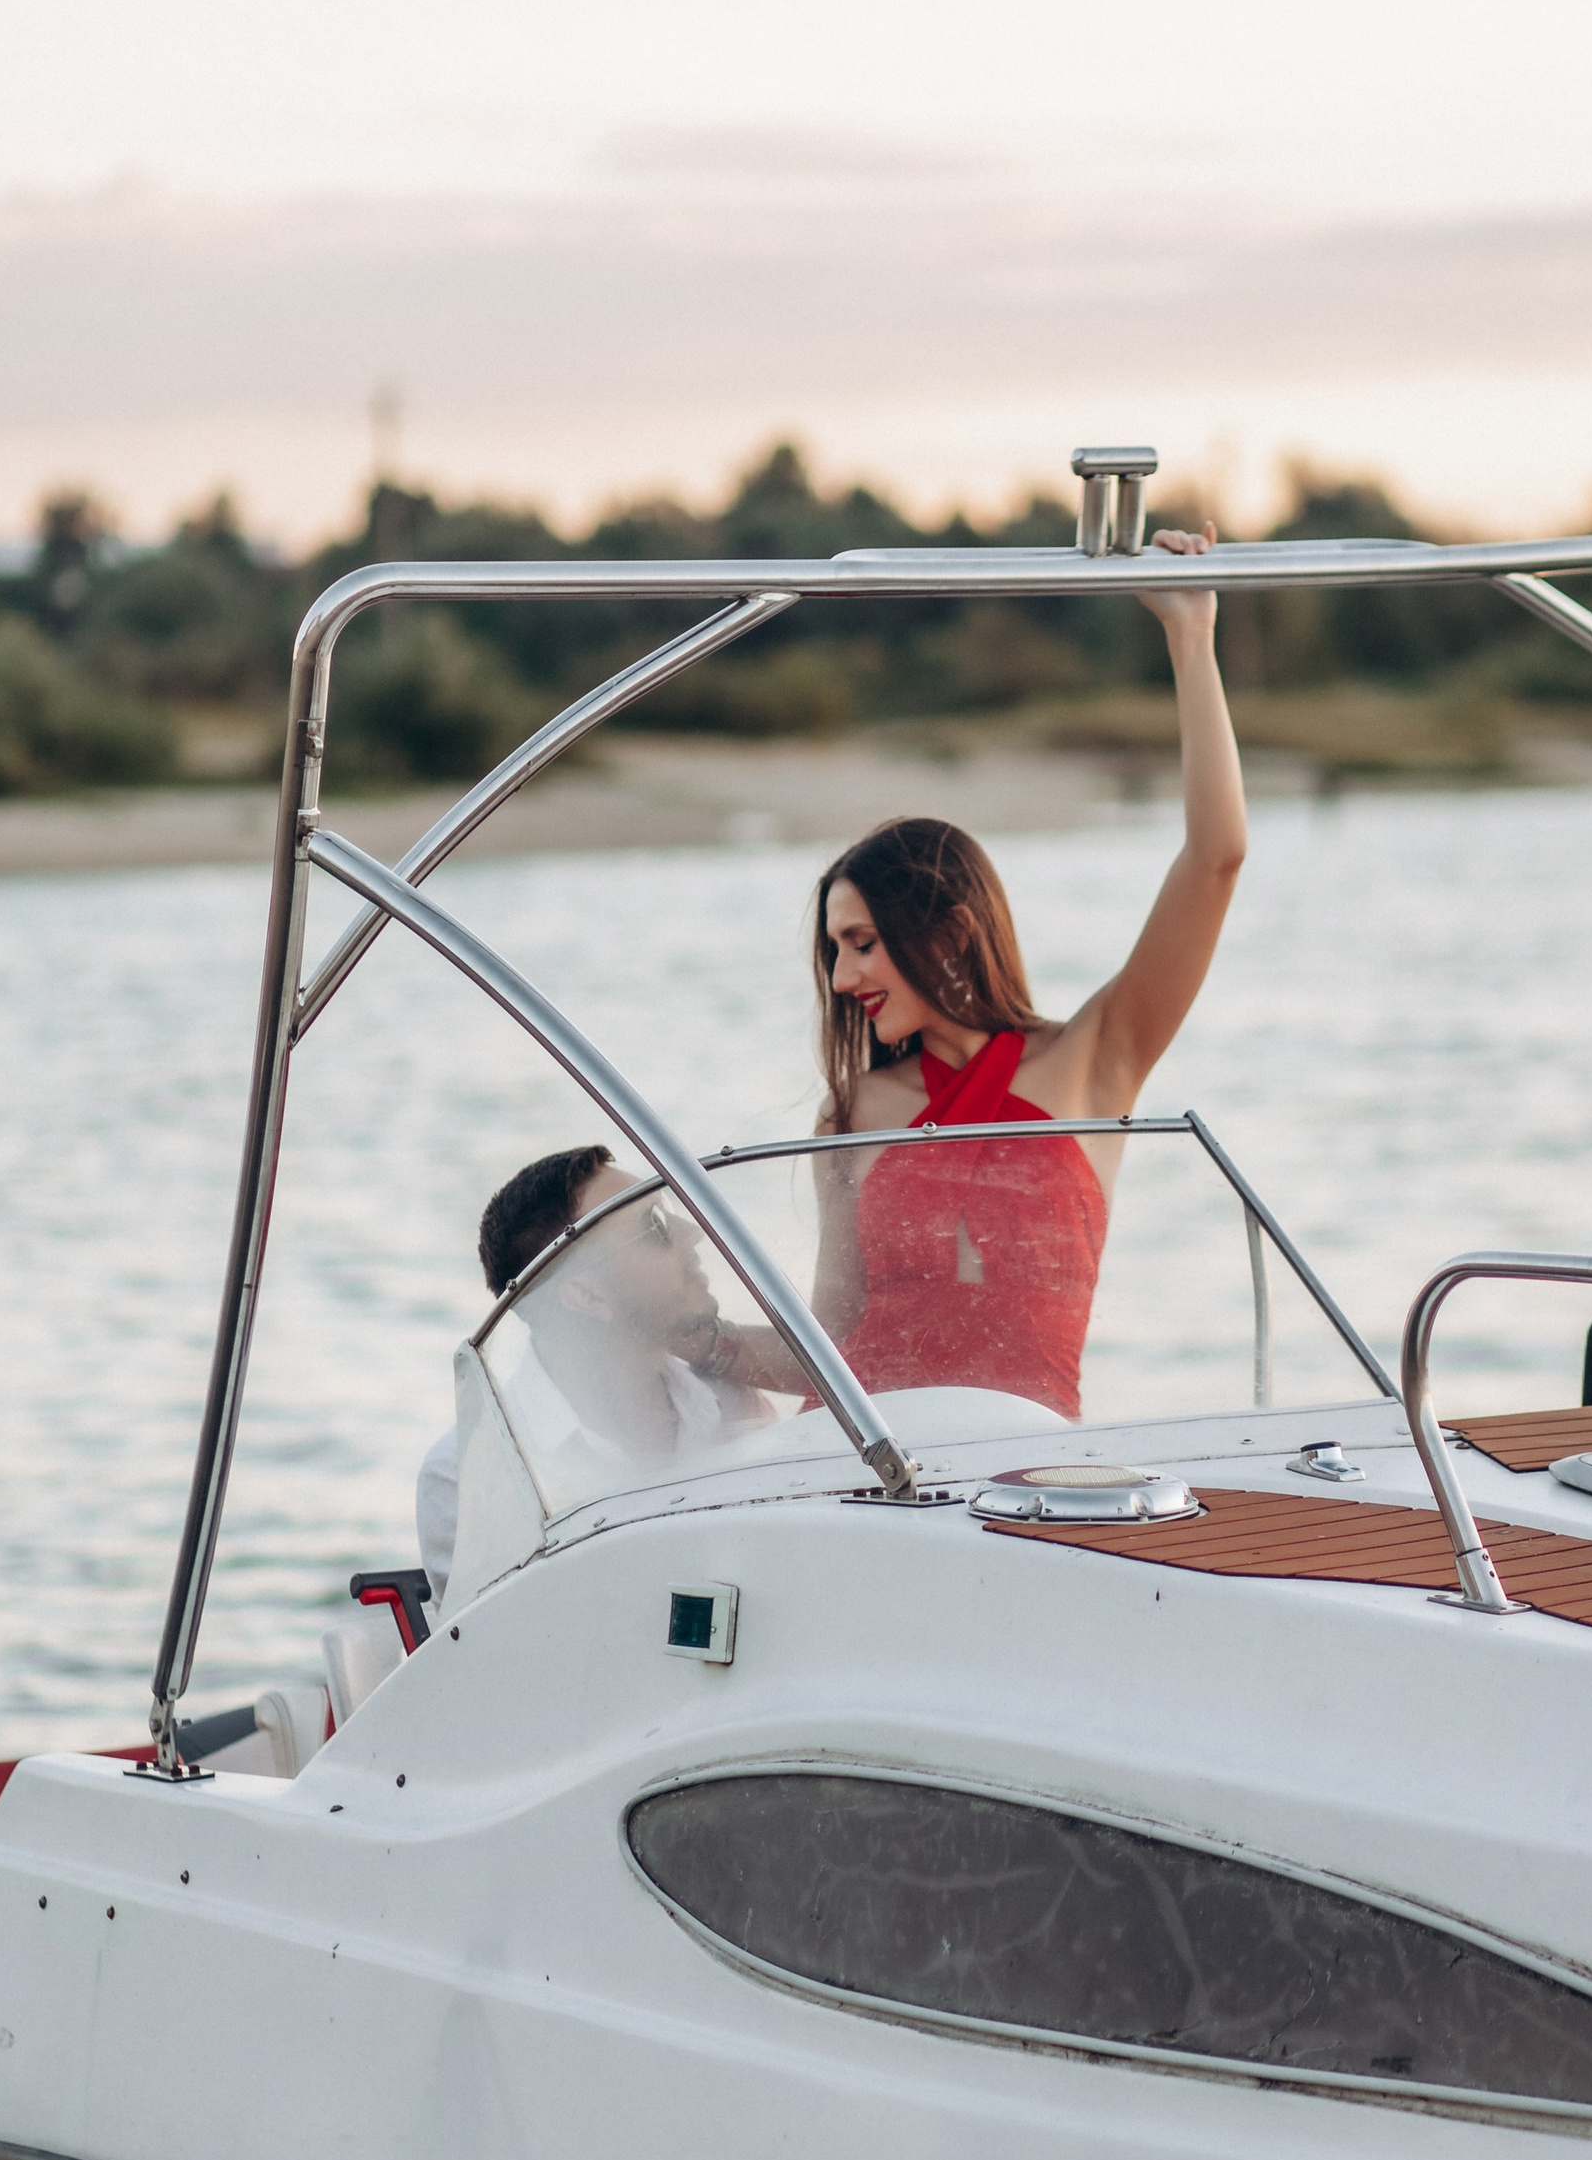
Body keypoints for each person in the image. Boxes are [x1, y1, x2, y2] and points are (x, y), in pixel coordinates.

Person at [810, 523, 1245, 1419]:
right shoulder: (851, 1111)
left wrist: (1191, 640)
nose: (844, 979)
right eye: (834, 951)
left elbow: (1217, 856)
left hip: (1030, 1476)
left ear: (952, 929)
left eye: (862, 943)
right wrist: (687, 1335)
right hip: (862, 1475)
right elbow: (830, 1337)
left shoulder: (1098, 1058)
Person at [416, 1143, 798, 1594]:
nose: (692, 1233)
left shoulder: (732, 1405)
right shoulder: (469, 1475)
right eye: (654, 1226)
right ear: (587, 1296)